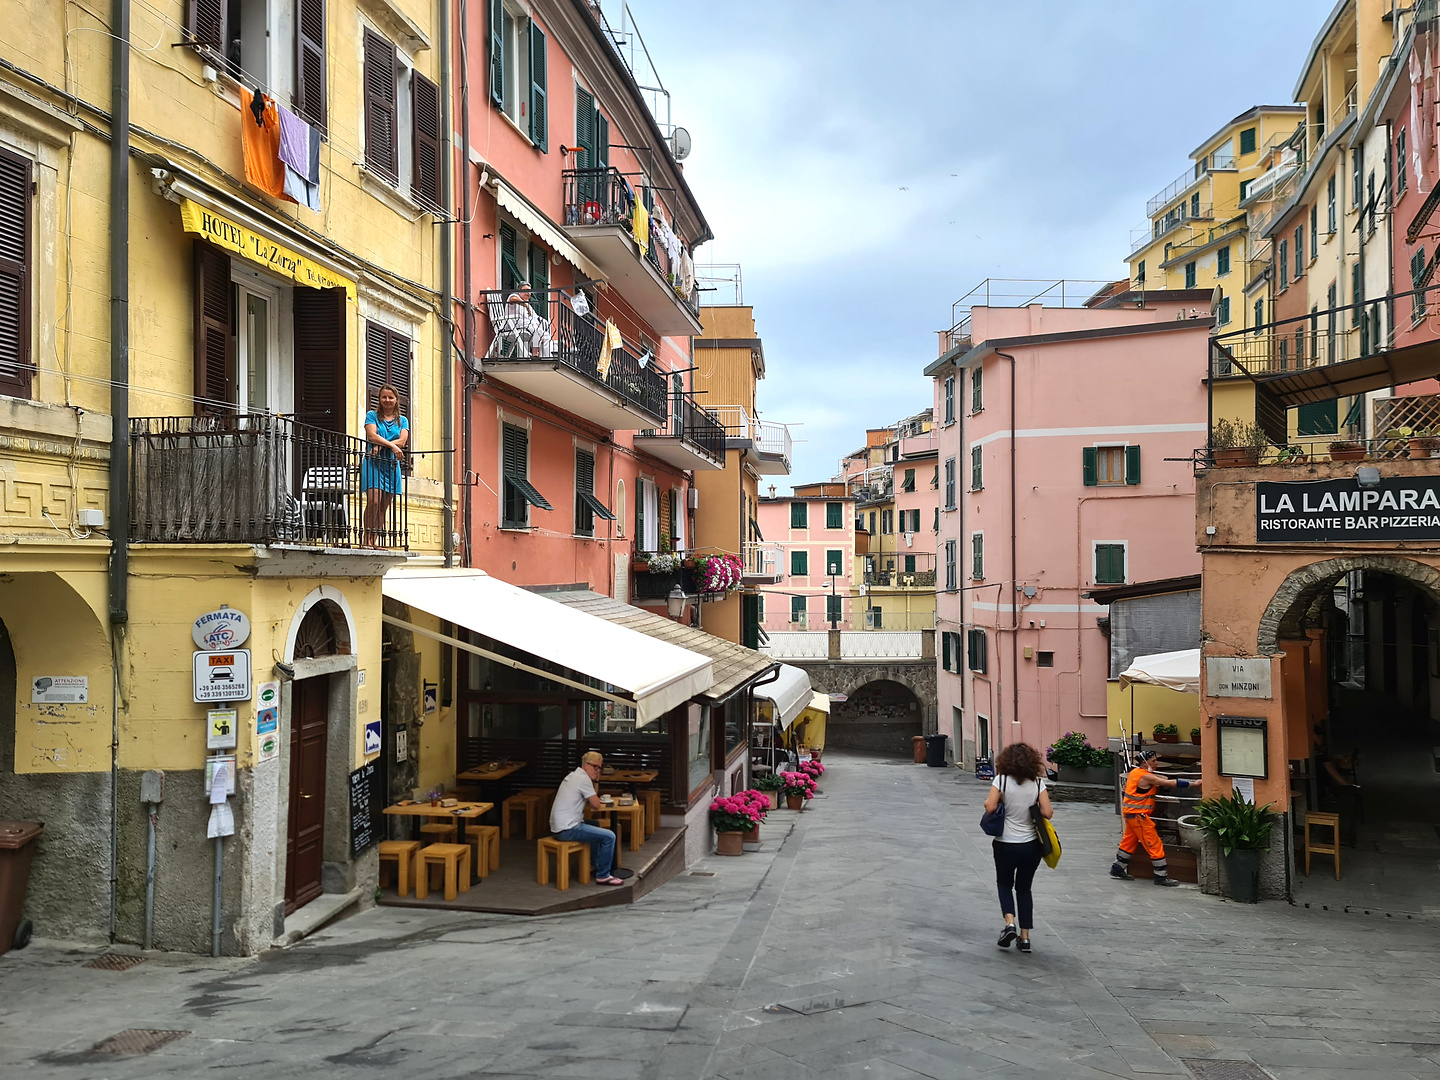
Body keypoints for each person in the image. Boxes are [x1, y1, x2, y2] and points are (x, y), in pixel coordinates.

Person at [982, 742, 1053, 954]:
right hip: (1031, 845)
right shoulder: (1038, 783)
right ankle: (1025, 937)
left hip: (1005, 843)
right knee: (1024, 889)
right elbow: (1048, 813)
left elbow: (990, 806)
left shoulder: (1001, 780)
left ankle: (1009, 923)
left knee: (1004, 884)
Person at [1110, 750, 1198, 886]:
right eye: (1153, 761)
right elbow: (1169, 783)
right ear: (1145, 763)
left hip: (1131, 815)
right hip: (1140, 817)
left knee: (1129, 842)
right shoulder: (1146, 777)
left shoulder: (1135, 773)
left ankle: (1117, 868)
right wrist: (1194, 783)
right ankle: (1161, 876)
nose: (1156, 763)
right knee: (1154, 844)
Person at [550, 751, 623, 886]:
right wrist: (594, 781)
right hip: (567, 829)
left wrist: (596, 780)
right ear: (585, 765)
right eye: (594, 767)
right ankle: (603, 875)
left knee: (594, 824)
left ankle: (593, 864)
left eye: (599, 768)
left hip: (560, 827)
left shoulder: (575, 776)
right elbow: (595, 805)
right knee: (610, 836)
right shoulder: (582, 779)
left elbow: (592, 797)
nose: (597, 770)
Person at [362, 384, 408, 546]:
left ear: (396, 400)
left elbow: (402, 441)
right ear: (379, 399)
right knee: (374, 501)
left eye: (390, 397)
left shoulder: (402, 420)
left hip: (390, 466)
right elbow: (372, 435)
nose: (387, 400)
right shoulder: (372, 415)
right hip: (373, 463)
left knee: (383, 506)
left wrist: (383, 446)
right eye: (384, 397)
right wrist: (392, 446)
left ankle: (373, 540)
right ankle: (365, 539)